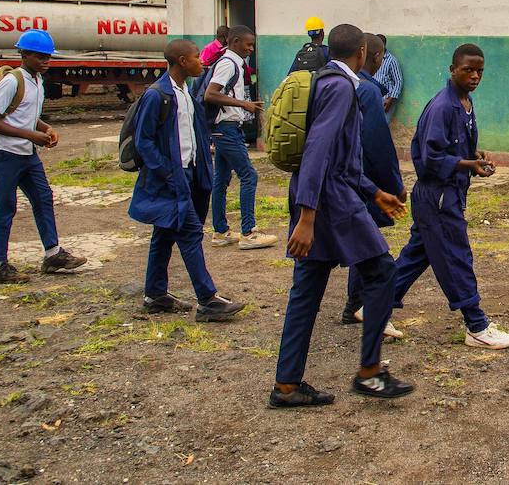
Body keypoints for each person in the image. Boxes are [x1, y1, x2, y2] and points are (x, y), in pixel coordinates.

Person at [270, 23, 412, 408]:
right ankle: (369, 373)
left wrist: (375, 192)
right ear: (363, 54)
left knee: (307, 291)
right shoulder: (342, 87)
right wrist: (307, 216)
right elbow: (317, 149)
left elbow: (342, 158)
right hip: (330, 202)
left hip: (331, 193)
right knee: (382, 272)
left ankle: (287, 384)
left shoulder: (326, 80)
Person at [392, 43, 509, 349]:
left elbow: (452, 146)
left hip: (448, 193)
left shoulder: (465, 102)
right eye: (468, 70)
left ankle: (375, 305)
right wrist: (467, 164)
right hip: (437, 196)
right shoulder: (443, 107)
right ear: (452, 70)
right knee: (456, 256)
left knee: (417, 254)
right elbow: (431, 158)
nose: (475, 76)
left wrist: (473, 157)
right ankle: (476, 325)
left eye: (480, 71)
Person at [129, 39, 245, 321]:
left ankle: (155, 295)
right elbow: (143, 142)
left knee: (164, 234)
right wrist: (168, 173)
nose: (201, 61)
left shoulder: (186, 93)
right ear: (181, 61)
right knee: (191, 232)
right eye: (196, 57)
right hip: (170, 177)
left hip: (191, 173)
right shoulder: (158, 95)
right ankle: (207, 300)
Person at [0, 29, 87, 283]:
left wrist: (45, 129)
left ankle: (53, 254)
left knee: (43, 198)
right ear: (24, 55)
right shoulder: (12, 81)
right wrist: (29, 135)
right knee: (4, 207)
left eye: (48, 56)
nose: (45, 61)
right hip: (5, 154)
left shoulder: (37, 81)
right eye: (40, 56)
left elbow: (25, 115)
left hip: (27, 155)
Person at [341, 32, 406, 339]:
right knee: (372, 249)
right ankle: (367, 309)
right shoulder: (367, 91)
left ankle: (355, 302)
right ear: (376, 57)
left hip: (332, 181)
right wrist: (394, 185)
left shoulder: (331, 83)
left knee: (358, 241)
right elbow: (379, 144)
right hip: (361, 181)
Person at [203, 26, 276, 250]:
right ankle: (248, 232)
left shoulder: (233, 62)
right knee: (249, 176)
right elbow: (211, 94)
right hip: (226, 129)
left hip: (225, 128)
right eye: (248, 44)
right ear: (235, 42)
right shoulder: (228, 63)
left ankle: (221, 231)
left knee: (222, 179)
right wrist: (243, 104)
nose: (251, 49)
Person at [372, 35, 403, 121]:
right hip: (374, 98)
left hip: (385, 100)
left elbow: (398, 81)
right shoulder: (371, 58)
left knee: (383, 125)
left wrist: (391, 99)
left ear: (384, 45)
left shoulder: (391, 60)